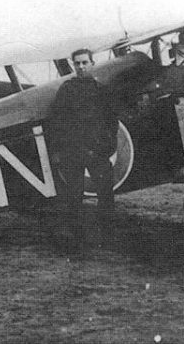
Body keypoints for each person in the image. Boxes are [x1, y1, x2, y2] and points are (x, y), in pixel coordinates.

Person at [47, 48, 119, 245]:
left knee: (105, 194)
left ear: (92, 63)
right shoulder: (66, 90)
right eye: (77, 63)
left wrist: (107, 147)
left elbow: (112, 122)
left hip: (97, 152)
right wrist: (59, 151)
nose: (81, 66)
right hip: (73, 152)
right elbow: (57, 122)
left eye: (84, 62)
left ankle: (108, 235)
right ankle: (76, 237)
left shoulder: (101, 90)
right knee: (73, 196)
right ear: (73, 65)